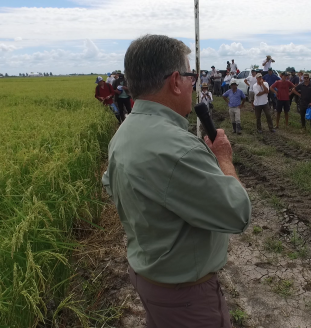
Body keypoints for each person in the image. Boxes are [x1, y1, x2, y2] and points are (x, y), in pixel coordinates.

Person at [102, 35, 251, 328]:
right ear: (174, 81)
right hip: (186, 298)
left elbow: (111, 184)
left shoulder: (126, 131)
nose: (192, 84)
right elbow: (238, 214)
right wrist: (223, 158)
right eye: (190, 77)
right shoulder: (179, 148)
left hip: (149, 278)